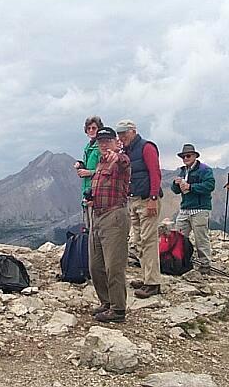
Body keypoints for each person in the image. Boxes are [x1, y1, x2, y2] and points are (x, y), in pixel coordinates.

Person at [86, 127, 131, 323]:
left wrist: (117, 156)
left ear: (115, 142)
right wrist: (92, 199)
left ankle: (118, 309)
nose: (103, 144)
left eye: (107, 140)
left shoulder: (120, 160)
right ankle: (106, 302)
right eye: (100, 141)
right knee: (95, 266)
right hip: (97, 216)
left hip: (115, 216)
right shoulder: (100, 163)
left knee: (114, 265)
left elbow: (124, 163)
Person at [115, 119, 162, 299]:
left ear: (133, 131)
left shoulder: (146, 147)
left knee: (148, 240)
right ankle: (147, 277)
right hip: (134, 199)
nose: (121, 137)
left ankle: (153, 283)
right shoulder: (127, 151)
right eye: (119, 134)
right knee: (140, 241)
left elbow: (155, 173)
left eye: (124, 133)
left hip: (146, 200)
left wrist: (152, 198)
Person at [171, 144, 215, 274]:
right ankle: (180, 262)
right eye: (183, 156)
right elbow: (175, 191)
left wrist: (191, 187)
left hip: (200, 209)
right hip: (185, 208)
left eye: (188, 156)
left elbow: (210, 185)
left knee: (200, 237)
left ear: (195, 156)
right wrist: (176, 184)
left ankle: (205, 265)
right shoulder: (183, 171)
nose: (185, 158)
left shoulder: (205, 170)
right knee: (179, 237)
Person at [73, 116, 103, 231]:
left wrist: (88, 172)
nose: (91, 130)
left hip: (96, 191)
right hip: (87, 191)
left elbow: (105, 169)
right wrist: (81, 165)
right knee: (88, 227)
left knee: (95, 228)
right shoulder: (88, 147)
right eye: (89, 128)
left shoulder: (100, 147)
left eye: (94, 128)